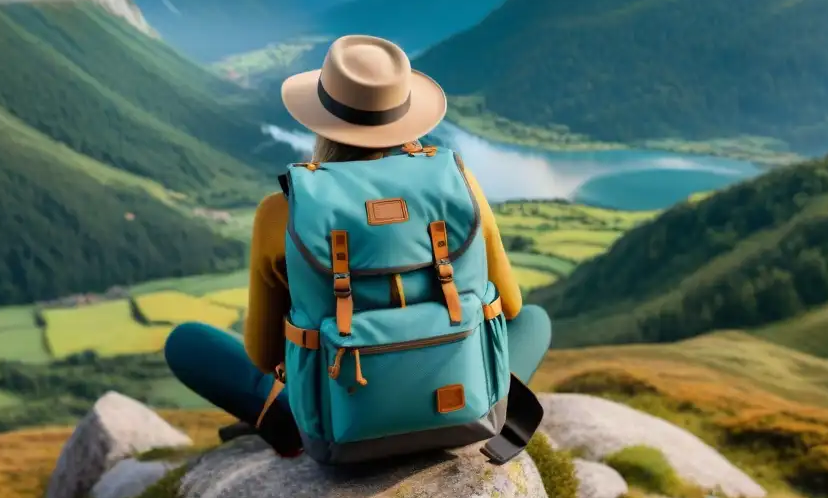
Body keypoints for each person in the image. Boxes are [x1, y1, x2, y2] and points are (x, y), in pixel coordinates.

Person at [164, 34, 552, 459]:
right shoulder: (460, 188)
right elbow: (509, 308)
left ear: (320, 118)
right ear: (407, 115)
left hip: (339, 413)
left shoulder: (282, 212)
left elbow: (262, 354)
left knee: (186, 342)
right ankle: (461, 405)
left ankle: (283, 415)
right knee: (535, 320)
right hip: (458, 397)